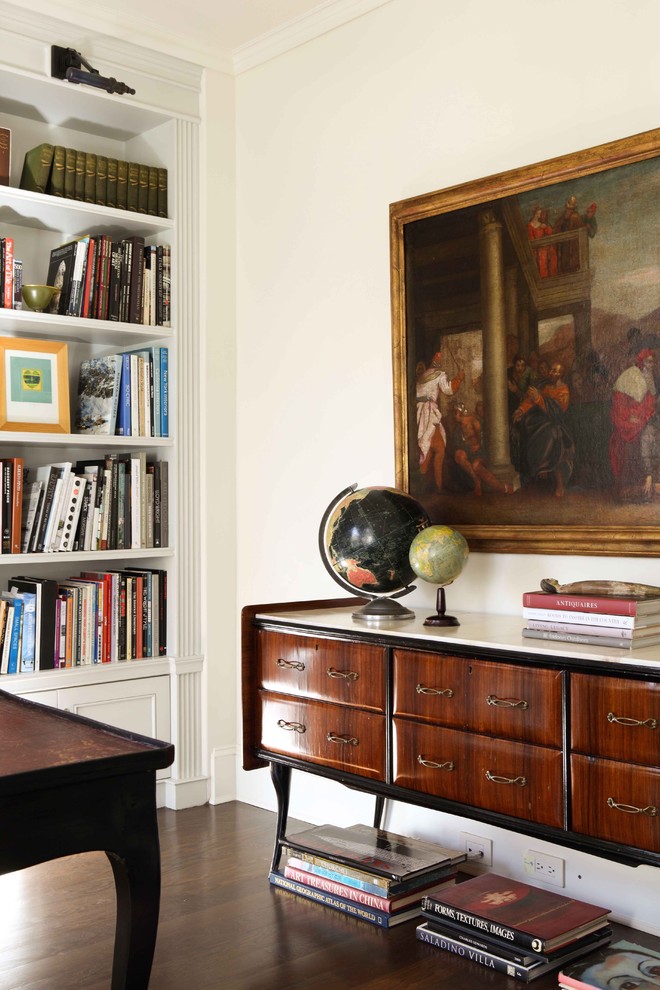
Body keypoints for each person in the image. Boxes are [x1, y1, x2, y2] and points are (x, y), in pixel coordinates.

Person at [513, 362, 574, 495]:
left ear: (561, 374)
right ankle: (538, 471)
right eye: (551, 370)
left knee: (551, 435)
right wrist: (521, 410)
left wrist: (539, 398)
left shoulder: (564, 390)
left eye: (555, 371)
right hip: (540, 421)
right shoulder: (544, 385)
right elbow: (530, 400)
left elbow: (558, 411)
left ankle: (559, 484)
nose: (551, 373)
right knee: (527, 427)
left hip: (555, 422)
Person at [610, 349, 657, 501]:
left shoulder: (649, 379)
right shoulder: (629, 376)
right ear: (642, 362)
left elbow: (650, 404)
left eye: (653, 361)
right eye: (649, 361)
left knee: (648, 437)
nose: (652, 364)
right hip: (626, 423)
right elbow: (619, 403)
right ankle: (628, 491)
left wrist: (645, 416)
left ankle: (645, 489)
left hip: (643, 421)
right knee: (633, 443)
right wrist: (630, 416)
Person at [416, 352, 464, 491]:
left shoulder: (421, 376)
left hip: (419, 414)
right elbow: (448, 390)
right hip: (430, 414)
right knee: (438, 449)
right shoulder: (439, 374)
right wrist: (459, 378)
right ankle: (437, 486)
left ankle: (434, 486)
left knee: (428, 448)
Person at [447, 403, 513, 495]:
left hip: (480, 452)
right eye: (454, 414)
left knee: (476, 465)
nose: (454, 416)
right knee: (459, 455)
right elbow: (457, 445)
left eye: (456, 413)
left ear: (461, 413)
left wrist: (478, 445)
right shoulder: (457, 428)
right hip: (468, 452)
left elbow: (484, 439)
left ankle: (503, 488)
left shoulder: (474, 422)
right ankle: (476, 481)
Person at [527, 207, 557, 277]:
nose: (540, 216)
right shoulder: (530, 226)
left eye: (540, 214)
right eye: (538, 214)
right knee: (542, 259)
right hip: (536, 249)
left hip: (544, 247)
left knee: (551, 254)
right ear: (535, 214)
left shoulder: (541, 224)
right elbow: (531, 238)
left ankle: (552, 276)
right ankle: (544, 278)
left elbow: (550, 232)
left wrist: (546, 227)